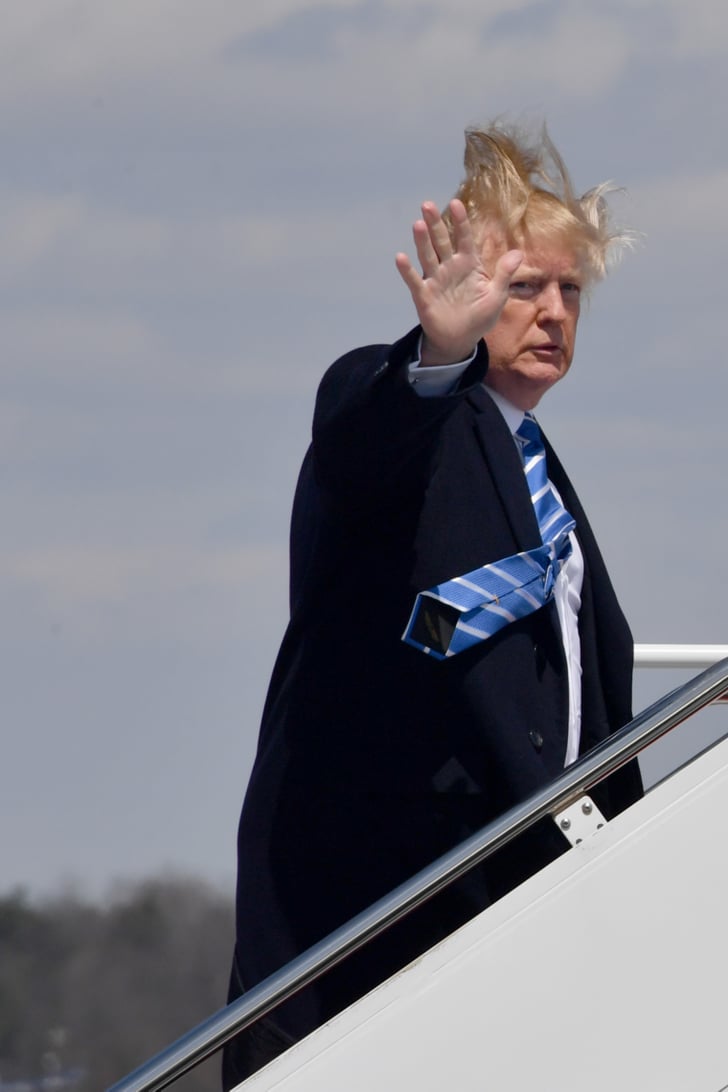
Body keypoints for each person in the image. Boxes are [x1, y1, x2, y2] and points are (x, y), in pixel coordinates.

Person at [222, 120, 643, 1089]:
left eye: (567, 291)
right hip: (373, 921)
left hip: (521, 914)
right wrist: (435, 356)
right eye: (522, 287)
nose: (550, 313)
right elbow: (363, 448)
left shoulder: (537, 470)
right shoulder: (404, 406)